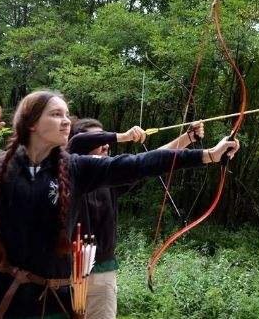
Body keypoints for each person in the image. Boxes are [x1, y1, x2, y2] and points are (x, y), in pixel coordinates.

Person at [0, 90, 239, 318]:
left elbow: (140, 164)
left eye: (67, 115)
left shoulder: (76, 169)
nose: (66, 121)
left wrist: (207, 155)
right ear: (32, 123)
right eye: (56, 114)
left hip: (56, 300)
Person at [67, 118, 203, 318]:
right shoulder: (65, 173)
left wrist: (187, 138)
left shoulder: (111, 177)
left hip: (102, 272)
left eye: (105, 138)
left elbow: (149, 161)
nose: (106, 144)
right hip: (65, 273)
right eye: (98, 139)